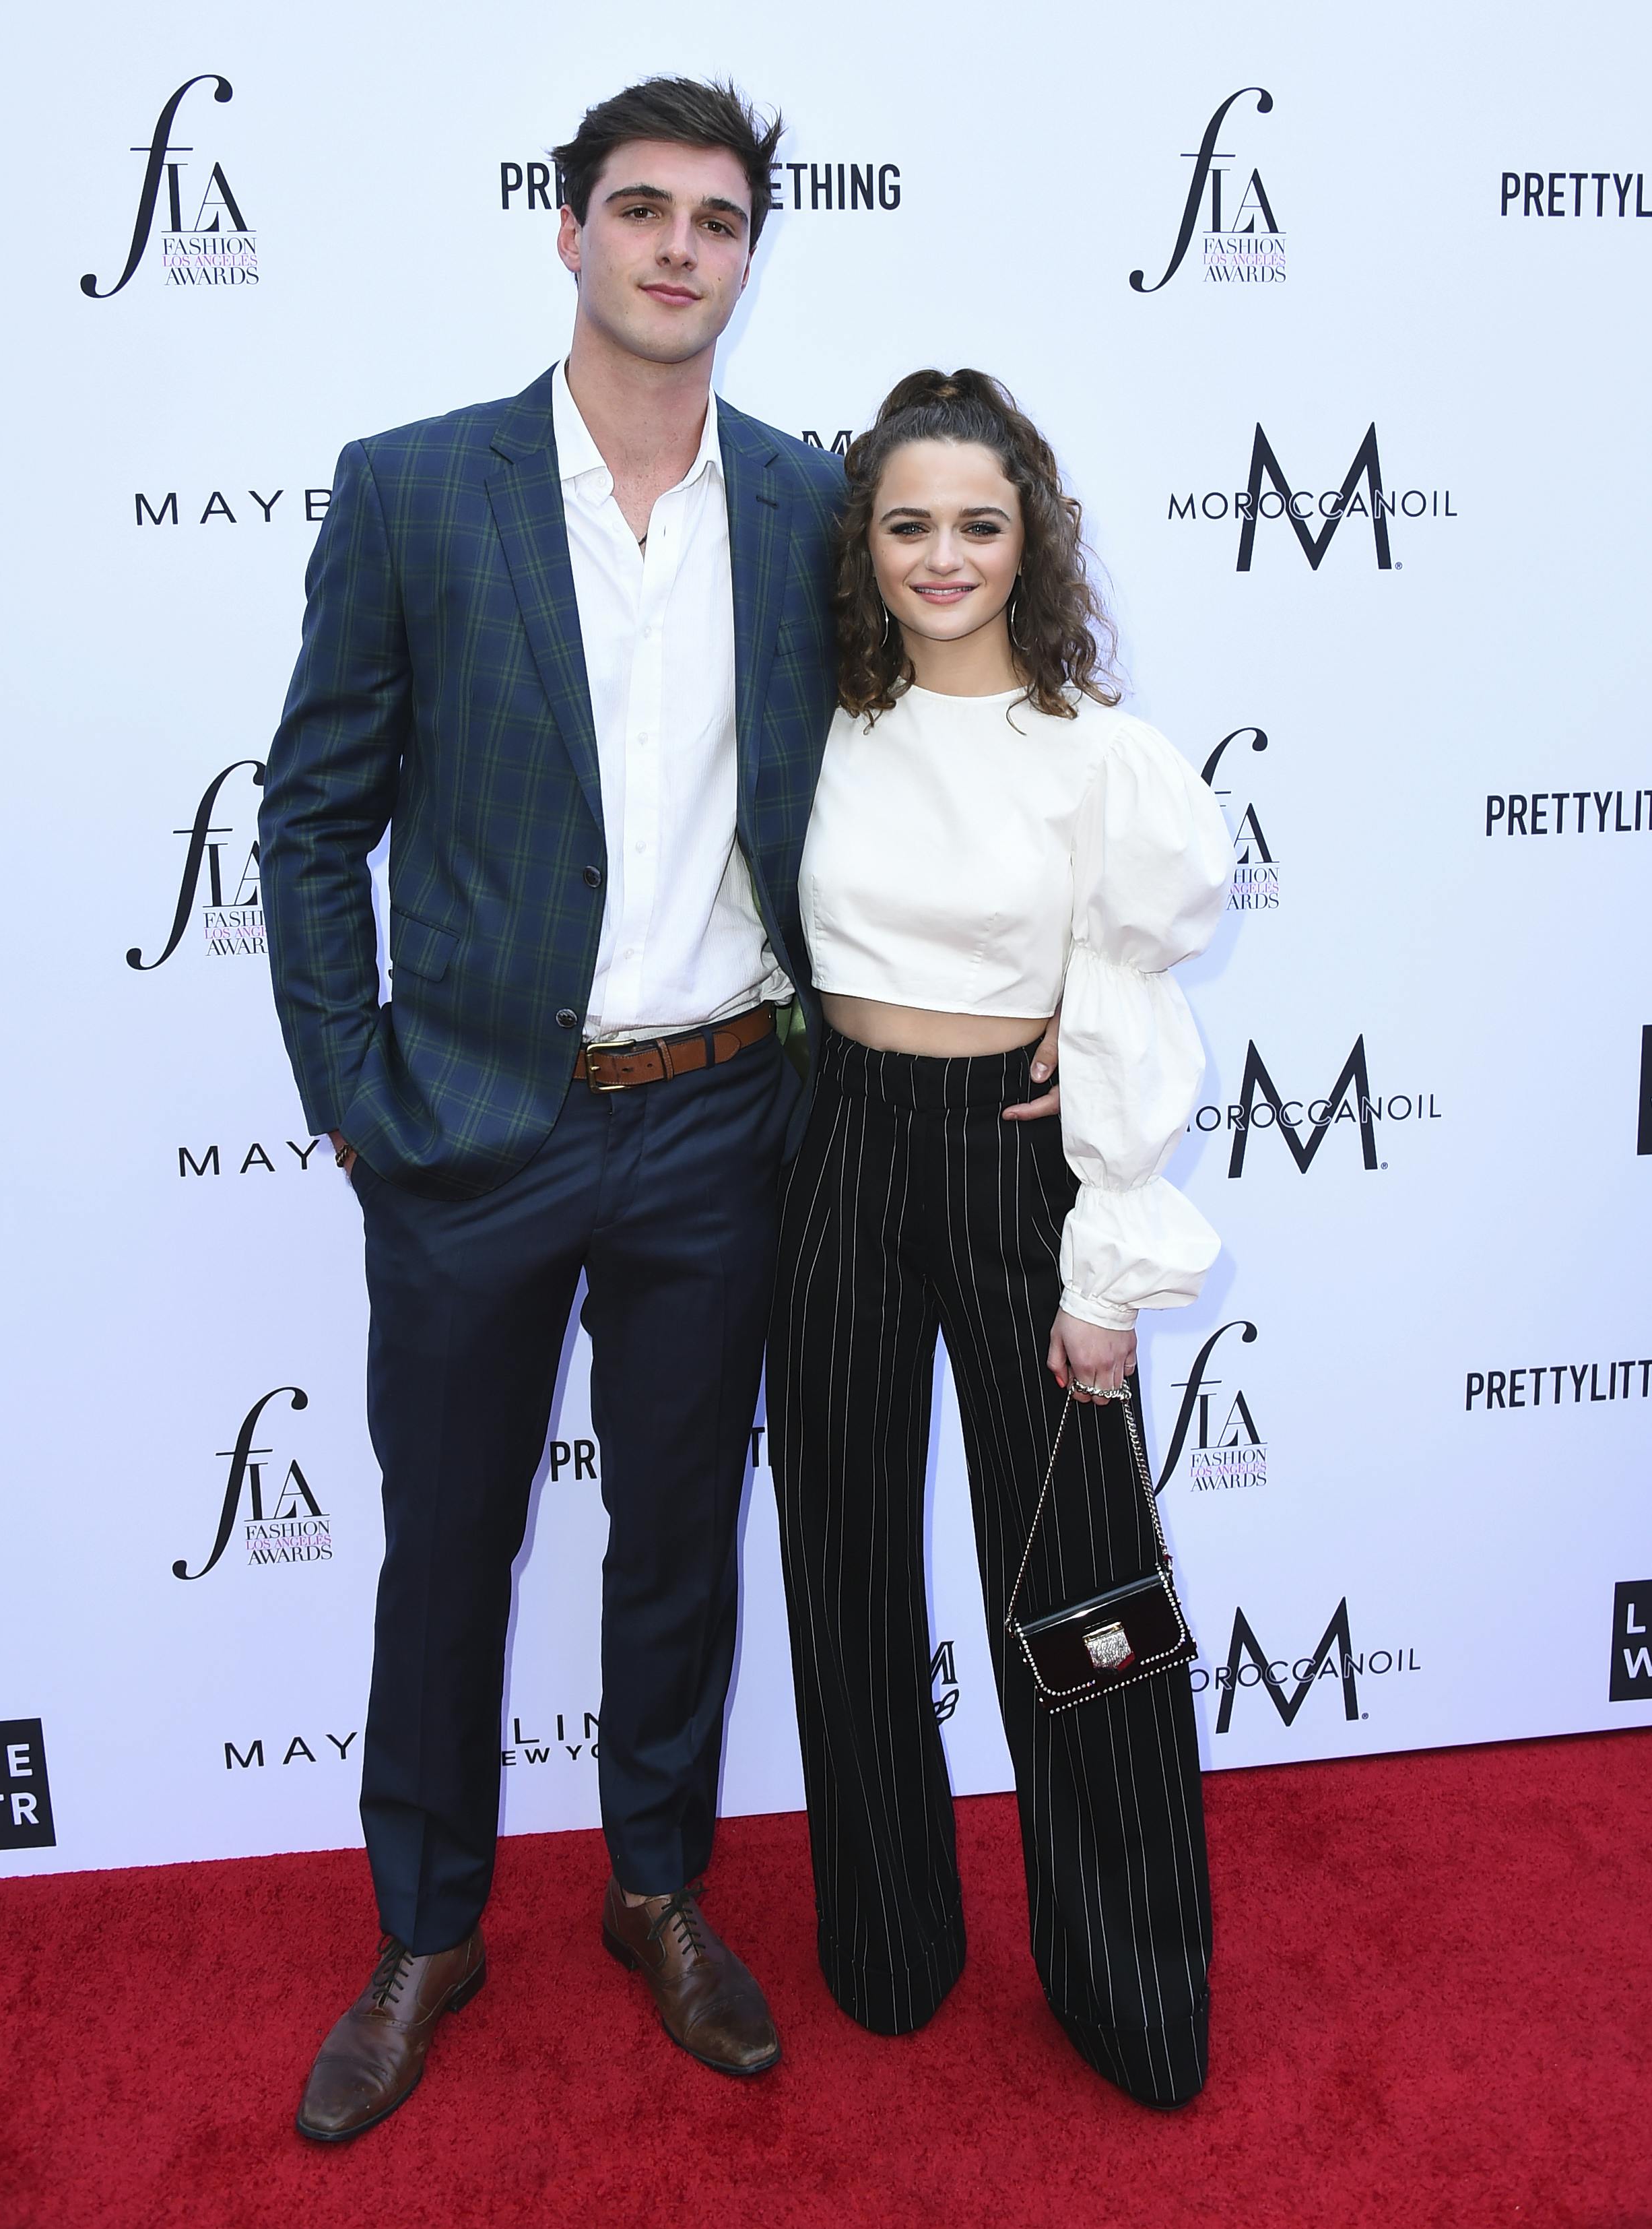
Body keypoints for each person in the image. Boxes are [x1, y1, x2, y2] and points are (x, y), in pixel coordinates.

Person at [261, 77, 865, 2141]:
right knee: (447, 1547)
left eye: (718, 216)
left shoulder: (810, 504)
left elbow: (917, 779)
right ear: (569, 232)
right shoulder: (417, 488)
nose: (679, 246)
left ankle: (658, 1891)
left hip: (720, 1119)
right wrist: (355, 1088)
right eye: (641, 208)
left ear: (752, 253)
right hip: (475, 1130)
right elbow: (313, 811)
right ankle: (427, 1927)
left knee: (679, 1539)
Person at [770, 370, 1232, 2108]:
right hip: (835, 1158)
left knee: (1086, 1587)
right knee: (842, 1562)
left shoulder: (1099, 754)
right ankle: (887, 1948)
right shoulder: (823, 721)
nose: (943, 556)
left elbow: (1130, 1003)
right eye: (908, 525)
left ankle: (1131, 1988)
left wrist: (1110, 1259)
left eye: (978, 523)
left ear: (1029, 535)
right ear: (864, 547)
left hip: (1014, 1173)